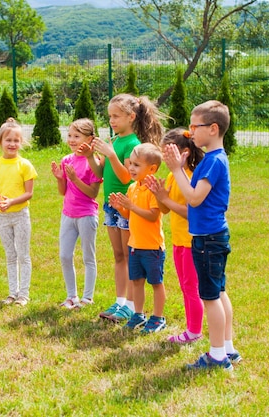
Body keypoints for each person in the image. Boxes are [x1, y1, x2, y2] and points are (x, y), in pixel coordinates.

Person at [163, 100, 240, 370]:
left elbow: (194, 199)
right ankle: (228, 349)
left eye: (196, 126)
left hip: (207, 239)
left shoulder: (211, 162)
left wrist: (175, 170)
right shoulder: (214, 159)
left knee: (210, 298)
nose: (190, 131)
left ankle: (217, 356)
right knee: (219, 292)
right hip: (213, 236)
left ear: (214, 128)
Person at [80, 93, 165, 324]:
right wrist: (90, 157)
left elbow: (127, 176)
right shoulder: (115, 141)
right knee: (118, 255)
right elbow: (101, 175)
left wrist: (110, 155)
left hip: (128, 205)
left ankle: (130, 305)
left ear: (131, 116)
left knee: (129, 255)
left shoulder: (132, 144)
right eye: (109, 116)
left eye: (116, 116)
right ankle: (120, 301)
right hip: (111, 204)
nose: (112, 121)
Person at [145, 128, 205, 343]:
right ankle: (192, 329)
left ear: (185, 153)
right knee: (185, 286)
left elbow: (193, 213)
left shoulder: (192, 177)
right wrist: (158, 195)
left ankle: (194, 331)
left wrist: (166, 200)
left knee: (191, 288)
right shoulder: (173, 174)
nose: (165, 158)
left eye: (169, 153)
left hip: (192, 241)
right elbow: (165, 209)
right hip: (178, 241)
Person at [108, 142, 167, 333]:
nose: (131, 168)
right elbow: (130, 216)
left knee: (156, 283)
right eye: (130, 163)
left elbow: (152, 215)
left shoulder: (152, 190)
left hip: (152, 247)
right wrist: (120, 207)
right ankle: (138, 314)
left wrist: (131, 207)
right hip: (134, 245)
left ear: (152, 169)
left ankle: (158, 318)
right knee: (137, 281)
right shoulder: (132, 188)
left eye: (136, 165)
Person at [0, 118, 37, 307]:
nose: (12, 144)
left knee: (23, 254)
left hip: (21, 215)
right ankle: (12, 293)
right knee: (10, 255)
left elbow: (29, 193)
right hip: (2, 216)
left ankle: (24, 294)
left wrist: (12, 201)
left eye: (16, 140)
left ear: (21, 142)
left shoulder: (25, 165)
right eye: (8, 140)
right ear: (0, 141)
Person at [50, 118, 102, 309]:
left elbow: (93, 193)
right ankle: (71, 296)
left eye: (77, 136)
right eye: (70, 135)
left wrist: (74, 179)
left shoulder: (94, 163)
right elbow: (63, 192)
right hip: (68, 214)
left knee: (88, 256)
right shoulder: (66, 160)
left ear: (89, 139)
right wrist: (60, 179)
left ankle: (87, 297)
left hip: (86, 215)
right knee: (64, 255)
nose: (71, 140)